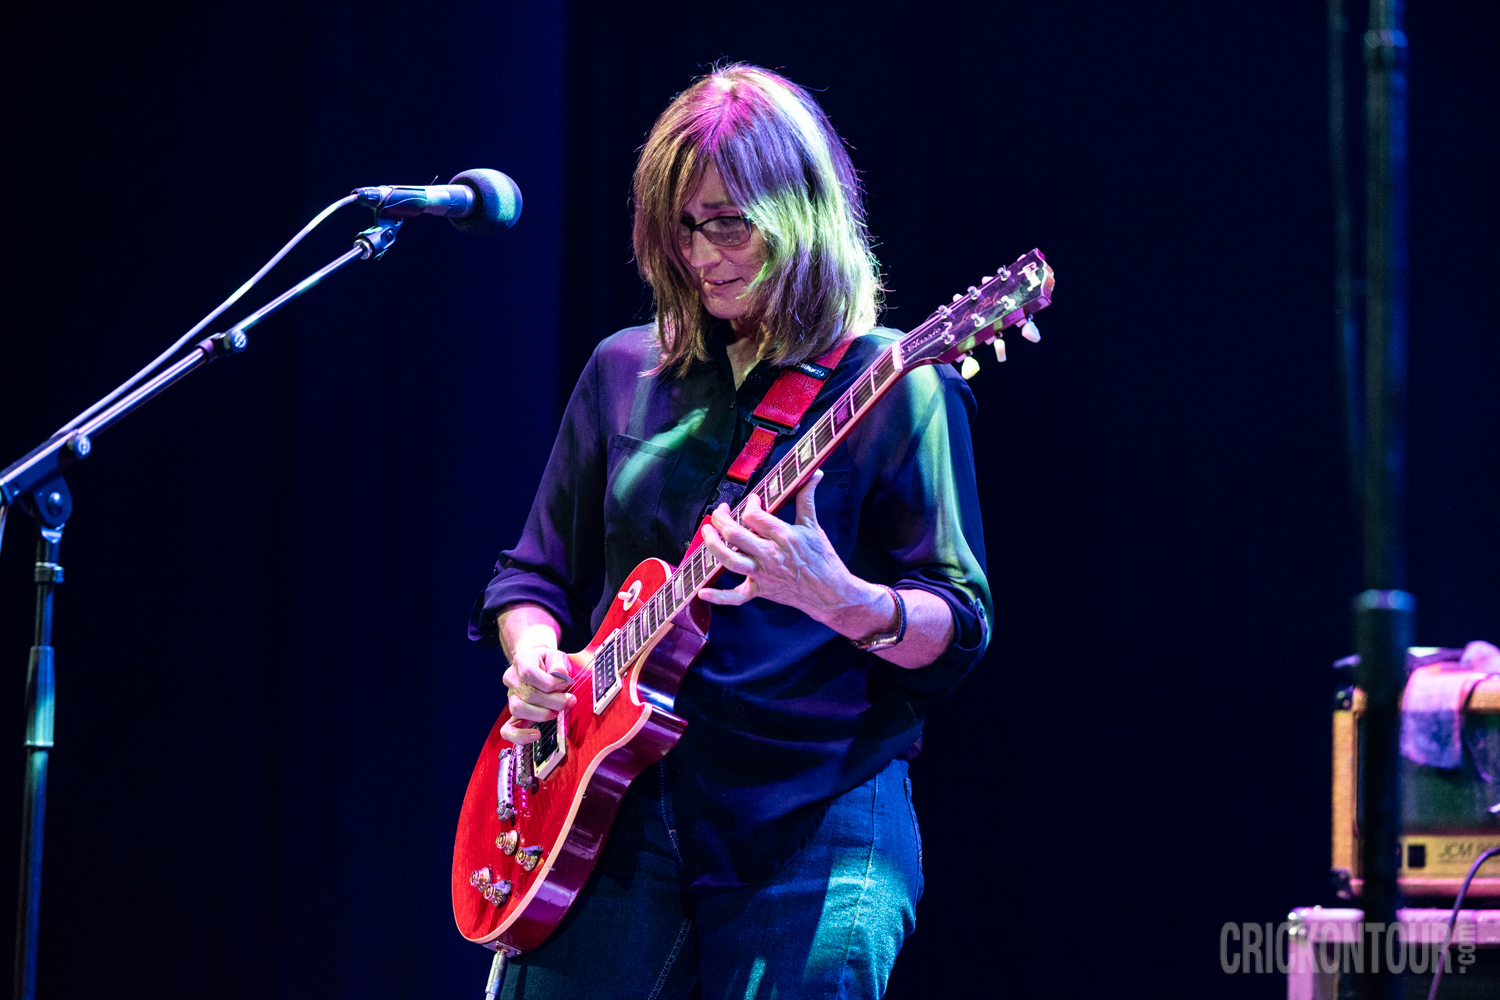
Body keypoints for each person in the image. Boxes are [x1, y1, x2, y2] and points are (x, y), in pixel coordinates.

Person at [469, 64, 991, 1000]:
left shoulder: (897, 385)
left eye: (729, 224)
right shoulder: (624, 371)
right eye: (681, 227)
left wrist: (843, 600)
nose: (701, 254)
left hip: (813, 812)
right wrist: (537, 655)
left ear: (803, 215)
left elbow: (958, 623)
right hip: (615, 807)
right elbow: (531, 576)